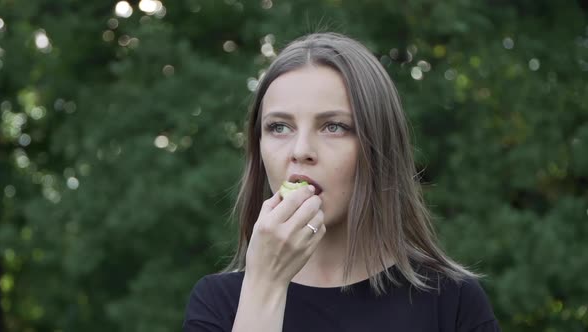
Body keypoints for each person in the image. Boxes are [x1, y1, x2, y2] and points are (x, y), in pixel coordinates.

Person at [183, 32, 501, 332]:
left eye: (333, 127)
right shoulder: (218, 305)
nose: (301, 150)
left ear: (378, 146)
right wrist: (265, 286)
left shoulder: (452, 302)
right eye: (279, 127)